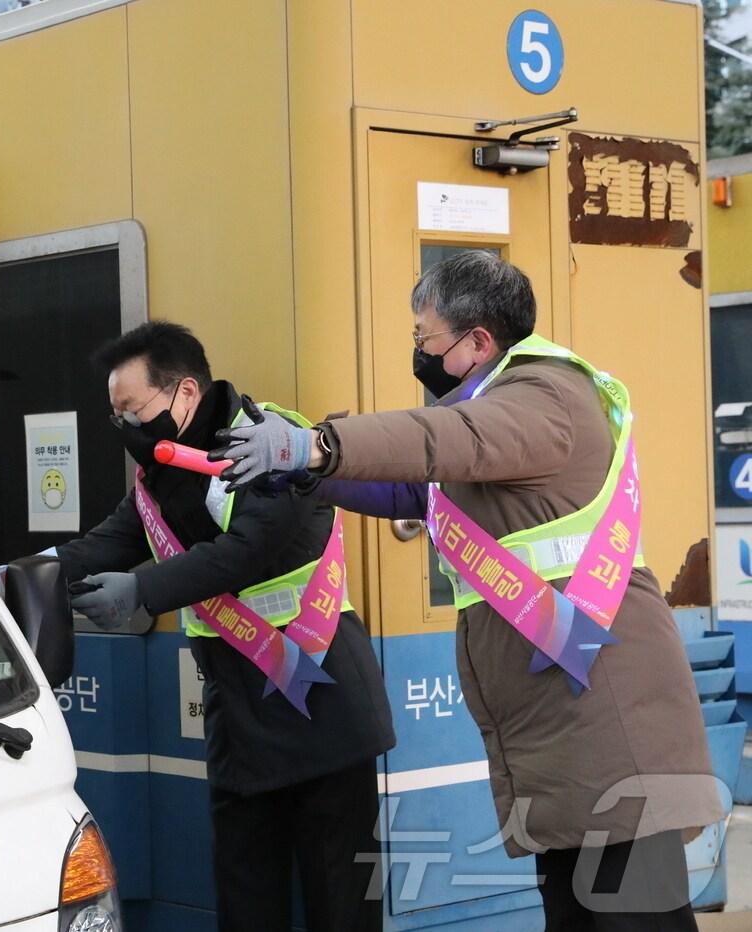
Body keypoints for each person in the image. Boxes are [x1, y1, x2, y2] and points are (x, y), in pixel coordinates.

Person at [213, 250, 721, 929]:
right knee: (576, 911)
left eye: (425, 340)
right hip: (562, 710)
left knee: (633, 914)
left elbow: (442, 439)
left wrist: (315, 445)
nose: (418, 354)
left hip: (606, 709)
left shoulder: (543, 398)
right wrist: (303, 474)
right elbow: (414, 485)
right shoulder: (496, 408)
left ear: (479, 341)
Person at [52, 321, 395, 932]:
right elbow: (107, 542)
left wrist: (142, 589)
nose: (126, 427)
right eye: (116, 417)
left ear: (185, 393)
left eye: (133, 409)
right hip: (238, 716)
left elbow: (248, 550)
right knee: (245, 904)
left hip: (324, 707)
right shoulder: (159, 477)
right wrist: (8, 575)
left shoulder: (274, 443)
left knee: (342, 906)